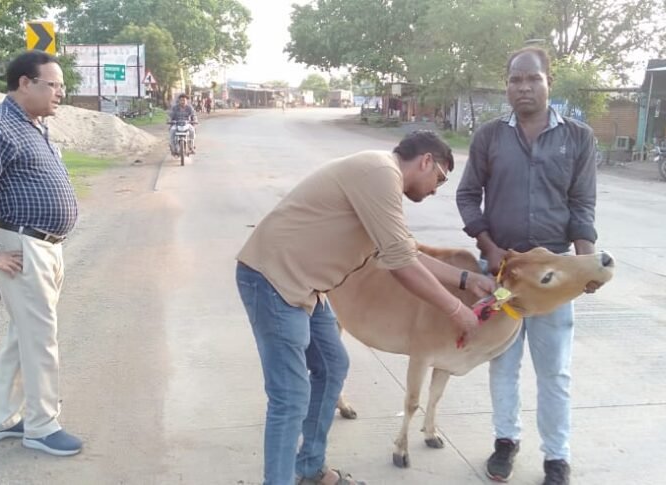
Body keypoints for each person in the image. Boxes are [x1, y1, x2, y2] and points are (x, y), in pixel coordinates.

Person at [237, 131, 495, 485]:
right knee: (290, 396)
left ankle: (309, 468)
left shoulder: (380, 179)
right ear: (425, 162)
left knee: (332, 365)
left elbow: (404, 251)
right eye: (440, 178)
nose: (437, 189)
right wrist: (456, 310)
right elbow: (403, 265)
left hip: (305, 287)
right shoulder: (379, 173)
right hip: (273, 280)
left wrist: (465, 279)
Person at [456, 46, 599, 485]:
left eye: (532, 79)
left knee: (554, 368)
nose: (524, 88)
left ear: (548, 81)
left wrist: (585, 261)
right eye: (516, 80)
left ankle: (556, 458)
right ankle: (505, 441)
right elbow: (467, 196)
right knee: (503, 361)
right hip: (502, 273)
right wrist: (489, 247)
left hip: (552, 276)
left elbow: (582, 205)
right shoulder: (489, 137)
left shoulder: (578, 138)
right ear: (507, 85)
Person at [0, 50, 82, 457]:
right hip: (22, 247)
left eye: (62, 86)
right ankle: (42, 426)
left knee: (22, 336)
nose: (60, 92)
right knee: (40, 338)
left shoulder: (34, 124)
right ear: (25, 83)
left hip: (45, 245)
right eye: (53, 84)